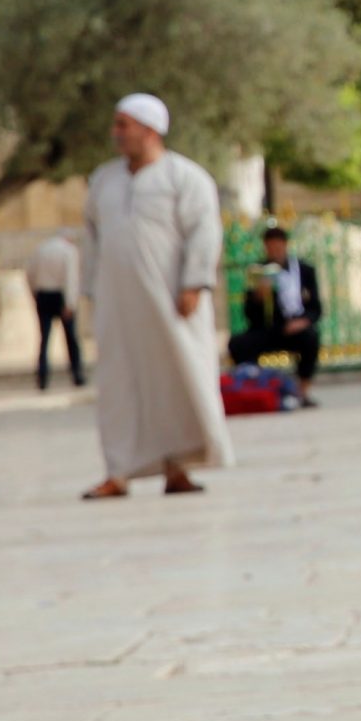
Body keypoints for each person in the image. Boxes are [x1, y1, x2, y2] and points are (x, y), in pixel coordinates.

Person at [80, 94, 231, 498]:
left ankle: (177, 467)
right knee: (119, 383)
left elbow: (204, 232)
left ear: (149, 130)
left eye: (123, 124)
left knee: (176, 378)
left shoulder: (185, 178)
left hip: (170, 300)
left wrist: (194, 283)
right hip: (119, 303)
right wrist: (92, 289)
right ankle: (117, 472)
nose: (116, 133)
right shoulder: (104, 181)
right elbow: (92, 236)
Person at [228, 222, 325, 400]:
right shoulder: (258, 272)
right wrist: (258, 297)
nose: (275, 252)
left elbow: (316, 309)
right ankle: (255, 386)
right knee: (238, 344)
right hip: (269, 327)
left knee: (311, 337)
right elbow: (249, 315)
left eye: (278, 247)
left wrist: (301, 322)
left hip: (295, 325)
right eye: (270, 248)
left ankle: (302, 391)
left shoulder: (305, 270)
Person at [28, 229, 84, 390]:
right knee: (71, 338)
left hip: (43, 294)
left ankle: (43, 376)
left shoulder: (40, 249)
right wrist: (70, 303)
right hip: (61, 296)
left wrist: (35, 294)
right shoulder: (69, 251)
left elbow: (30, 274)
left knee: (44, 338)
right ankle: (77, 373)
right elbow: (70, 277)